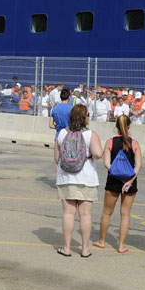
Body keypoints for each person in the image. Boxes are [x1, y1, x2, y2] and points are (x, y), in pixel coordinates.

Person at [54, 104, 103, 258]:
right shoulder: (91, 134)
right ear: (84, 118)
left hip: (66, 177)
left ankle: (67, 248)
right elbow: (97, 153)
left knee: (68, 213)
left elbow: (57, 158)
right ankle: (84, 249)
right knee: (85, 215)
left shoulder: (62, 133)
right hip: (86, 178)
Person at [93, 114, 142, 254]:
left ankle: (102, 241)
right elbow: (138, 165)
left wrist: (118, 175)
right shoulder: (134, 143)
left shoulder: (110, 142)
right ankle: (121, 245)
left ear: (116, 126)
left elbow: (107, 164)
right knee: (125, 214)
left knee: (107, 213)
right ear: (129, 126)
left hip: (114, 180)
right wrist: (129, 180)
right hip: (130, 181)